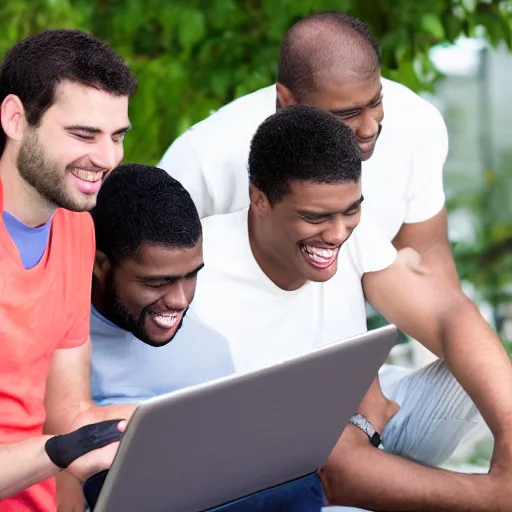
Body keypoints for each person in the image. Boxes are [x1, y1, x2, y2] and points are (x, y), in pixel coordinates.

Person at [190, 105, 512, 511]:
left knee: (479, 363)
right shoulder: (199, 271)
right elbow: (333, 468)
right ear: (260, 200)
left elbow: (450, 316)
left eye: (352, 210)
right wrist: (493, 497)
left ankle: (404, 482)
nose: (338, 234)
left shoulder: (342, 226)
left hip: (368, 423)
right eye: (315, 217)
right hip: (295, 472)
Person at [81, 164, 324, 511]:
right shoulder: (67, 345)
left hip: (224, 480)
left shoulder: (199, 336)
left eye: (191, 276)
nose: (180, 300)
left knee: (300, 481)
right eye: (156, 282)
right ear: (101, 265)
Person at [158, 11, 457, 286]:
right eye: (346, 114)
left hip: (346, 332)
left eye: (376, 103)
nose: (369, 128)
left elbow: (428, 262)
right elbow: (143, 274)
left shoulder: (418, 124)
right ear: (287, 101)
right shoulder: (205, 157)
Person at [0, 29, 139, 512]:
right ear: (16, 119)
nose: (107, 159)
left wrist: (187, 418)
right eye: (83, 135)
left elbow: (69, 417)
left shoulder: (77, 227)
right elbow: (64, 445)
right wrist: (59, 451)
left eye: (117, 136)